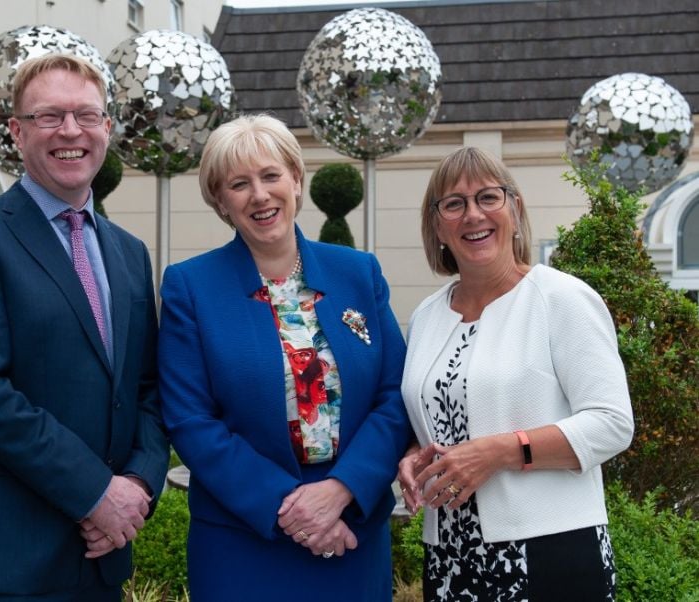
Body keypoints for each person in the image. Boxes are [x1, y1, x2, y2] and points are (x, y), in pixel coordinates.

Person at [0, 54, 169, 602]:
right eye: (50, 116)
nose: (70, 131)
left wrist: (137, 486)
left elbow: (149, 388)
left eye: (86, 115)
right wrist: (94, 492)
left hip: (101, 553)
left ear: (106, 128)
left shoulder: (130, 252)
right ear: (17, 131)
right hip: (1, 561)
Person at [157, 114, 411, 600]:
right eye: (238, 184)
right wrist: (289, 508)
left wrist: (342, 491)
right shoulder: (191, 286)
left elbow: (394, 394)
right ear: (220, 201)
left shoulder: (358, 273)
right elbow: (190, 419)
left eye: (271, 175)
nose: (260, 195)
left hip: (351, 527)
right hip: (244, 535)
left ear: (296, 179)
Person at [396, 146, 634, 600]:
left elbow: (612, 424)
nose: (473, 215)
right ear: (436, 226)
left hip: (549, 550)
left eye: (488, 197)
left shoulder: (561, 298)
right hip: (449, 556)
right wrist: (413, 453)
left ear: (515, 209)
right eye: (454, 203)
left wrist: (503, 451)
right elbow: (445, 413)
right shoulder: (428, 315)